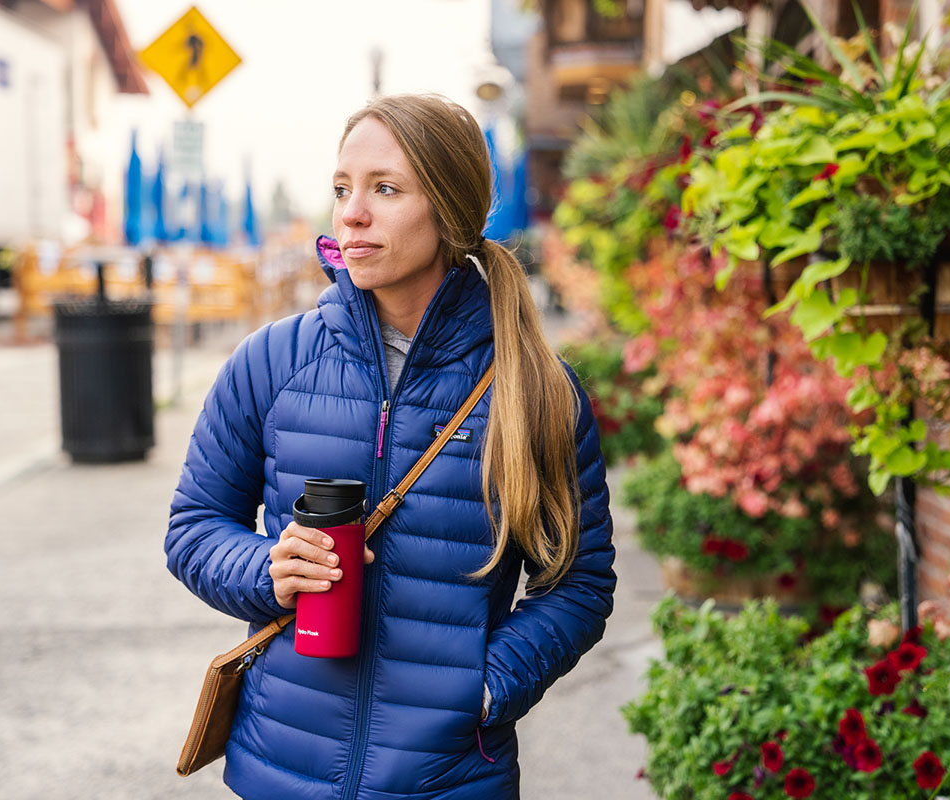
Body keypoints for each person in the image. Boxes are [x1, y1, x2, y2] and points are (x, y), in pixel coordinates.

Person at [165, 94, 616, 800]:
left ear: (449, 209)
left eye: (385, 188)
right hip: (281, 768)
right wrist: (267, 568)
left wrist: (488, 688)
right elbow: (193, 529)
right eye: (343, 188)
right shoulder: (270, 363)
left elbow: (579, 585)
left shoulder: (535, 388)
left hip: (447, 779)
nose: (351, 213)